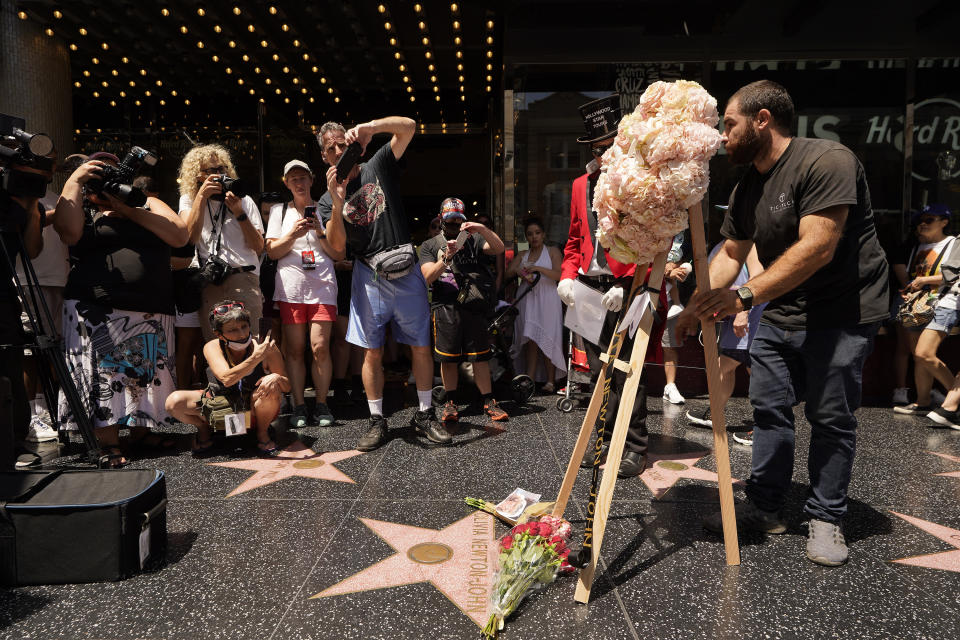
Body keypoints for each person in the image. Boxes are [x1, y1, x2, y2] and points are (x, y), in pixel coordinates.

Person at [676, 80, 890, 566]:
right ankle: (766, 506)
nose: (722, 135)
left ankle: (826, 518)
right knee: (769, 411)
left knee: (830, 418)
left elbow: (819, 245)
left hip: (841, 314)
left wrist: (744, 297)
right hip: (781, 310)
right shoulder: (749, 181)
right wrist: (695, 306)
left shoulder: (826, 160)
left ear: (762, 119)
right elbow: (732, 251)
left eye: (728, 124)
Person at [317, 118, 449, 451]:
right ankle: (377, 419)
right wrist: (336, 201)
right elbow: (335, 249)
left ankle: (424, 414)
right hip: (368, 274)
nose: (337, 151)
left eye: (340, 144)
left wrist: (370, 128)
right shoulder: (325, 200)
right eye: (330, 148)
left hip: (406, 266)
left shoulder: (377, 163)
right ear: (324, 156)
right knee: (371, 351)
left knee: (420, 344)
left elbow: (409, 127)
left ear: (349, 144)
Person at [54, 156, 189, 467]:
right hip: (96, 308)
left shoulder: (148, 204)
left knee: (144, 371)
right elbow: (67, 232)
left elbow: (180, 235)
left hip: (150, 308)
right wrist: (76, 178)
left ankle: (141, 432)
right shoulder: (85, 212)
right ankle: (108, 440)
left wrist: (127, 207)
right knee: (103, 375)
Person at [556, 94, 658, 478]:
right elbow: (574, 237)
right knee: (600, 371)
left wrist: (631, 282)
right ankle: (602, 438)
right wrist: (567, 274)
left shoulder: (640, 183)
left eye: (609, 144)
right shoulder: (581, 184)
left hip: (625, 287)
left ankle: (634, 445)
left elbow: (652, 242)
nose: (604, 153)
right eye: (598, 147)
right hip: (590, 288)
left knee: (627, 370)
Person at [265, 160, 343, 428]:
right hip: (291, 287)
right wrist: (292, 234)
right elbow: (273, 252)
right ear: (286, 183)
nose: (298, 183)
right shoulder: (279, 211)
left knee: (320, 346)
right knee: (295, 350)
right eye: (293, 179)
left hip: (322, 286)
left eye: (303, 178)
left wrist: (319, 233)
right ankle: (299, 404)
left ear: (312, 180)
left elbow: (338, 254)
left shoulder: (325, 208)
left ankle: (321, 404)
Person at [419, 197, 508, 423]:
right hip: (445, 306)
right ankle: (450, 401)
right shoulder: (429, 245)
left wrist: (481, 229)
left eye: (458, 221)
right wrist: (447, 258)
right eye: (449, 222)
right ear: (441, 220)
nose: (454, 226)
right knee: (448, 359)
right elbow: (427, 277)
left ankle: (488, 400)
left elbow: (498, 248)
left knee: (480, 357)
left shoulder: (474, 239)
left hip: (473, 304)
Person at [165, 301, 289, 457]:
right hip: (221, 411)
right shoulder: (212, 346)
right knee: (174, 401)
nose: (242, 334)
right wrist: (256, 358)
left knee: (271, 387)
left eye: (244, 326)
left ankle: (262, 434)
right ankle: (204, 429)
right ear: (219, 334)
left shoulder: (265, 347)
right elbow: (226, 379)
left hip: (255, 413)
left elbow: (287, 386)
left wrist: (276, 377)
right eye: (233, 330)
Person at [177, 144, 265, 342]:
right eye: (212, 171)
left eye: (222, 169)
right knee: (217, 345)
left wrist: (239, 212)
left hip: (244, 277)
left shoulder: (244, 200)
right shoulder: (189, 199)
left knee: (252, 343)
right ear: (198, 175)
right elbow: (189, 237)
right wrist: (201, 197)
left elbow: (259, 247)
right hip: (211, 282)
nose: (219, 174)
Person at [0, 136, 50, 470]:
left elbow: (32, 250)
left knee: (10, 366)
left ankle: (14, 442)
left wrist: (32, 208)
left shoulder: (19, 205)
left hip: (2, 296)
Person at [685, 241, 766, 446]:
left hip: (750, 312)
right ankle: (715, 413)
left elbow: (757, 274)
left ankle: (765, 428)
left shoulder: (749, 242)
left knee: (755, 370)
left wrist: (743, 310)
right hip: (736, 313)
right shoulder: (722, 245)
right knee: (725, 367)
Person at [891, 204, 956, 416]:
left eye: (929, 220)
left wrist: (924, 280)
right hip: (917, 305)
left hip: (942, 302)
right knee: (918, 355)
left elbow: (954, 275)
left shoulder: (953, 243)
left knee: (924, 354)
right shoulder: (916, 248)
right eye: (921, 220)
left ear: (944, 222)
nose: (923, 224)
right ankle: (923, 401)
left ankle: (952, 400)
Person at [506, 217, 565, 393]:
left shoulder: (553, 251)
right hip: (528, 298)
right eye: (530, 234)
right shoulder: (523, 254)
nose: (534, 237)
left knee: (549, 335)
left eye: (537, 233)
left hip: (548, 298)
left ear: (543, 234)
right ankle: (529, 379)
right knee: (530, 338)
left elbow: (558, 275)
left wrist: (538, 269)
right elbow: (508, 273)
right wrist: (518, 271)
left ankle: (551, 381)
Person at [661, 231, 693, 405]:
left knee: (670, 345)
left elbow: (691, 258)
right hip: (646, 294)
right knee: (638, 343)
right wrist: (665, 271)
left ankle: (670, 385)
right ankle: (633, 383)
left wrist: (676, 266)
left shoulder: (684, 233)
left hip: (670, 300)